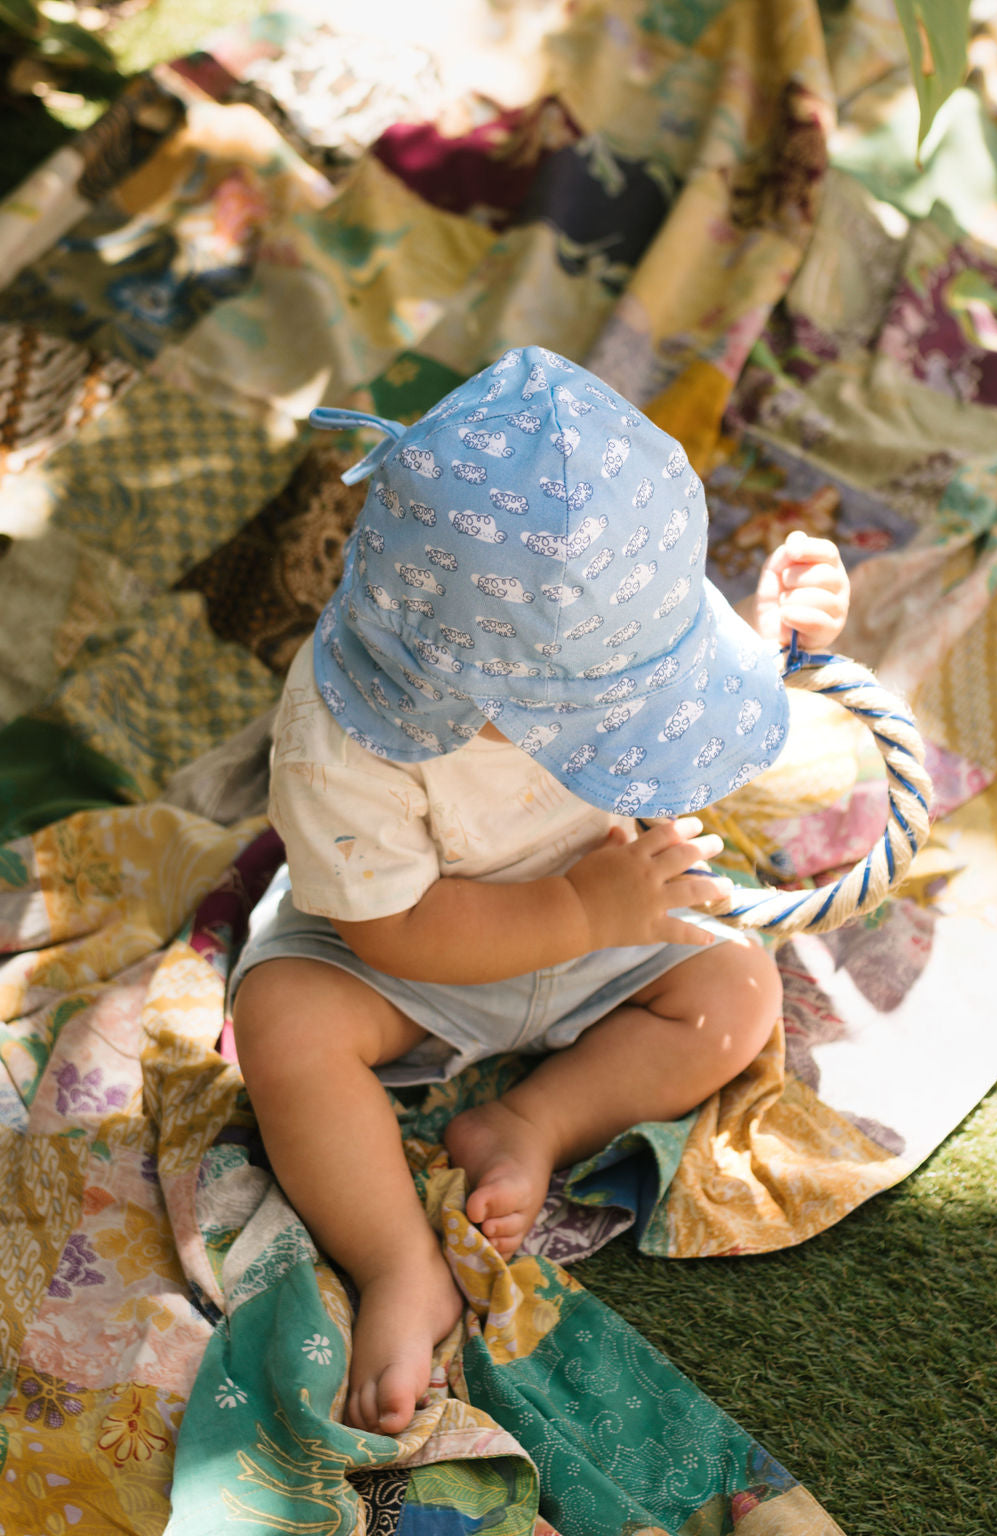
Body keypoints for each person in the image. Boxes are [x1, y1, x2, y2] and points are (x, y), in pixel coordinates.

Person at [228, 345, 850, 1438]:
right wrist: (579, 912)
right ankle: (395, 1262)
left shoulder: (578, 644)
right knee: (282, 1025)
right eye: (612, 709)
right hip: (407, 962)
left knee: (737, 990)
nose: (633, 725)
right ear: (467, 693)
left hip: (601, 919)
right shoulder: (346, 734)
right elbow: (389, 929)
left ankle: (534, 1121)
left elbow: (680, 726)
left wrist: (775, 642)